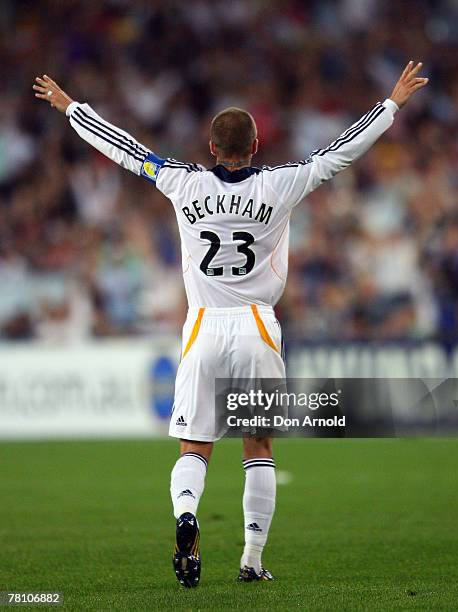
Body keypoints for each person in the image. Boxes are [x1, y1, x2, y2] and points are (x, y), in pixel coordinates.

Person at [33, 61, 428, 587]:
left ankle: (187, 518)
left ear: (212, 148)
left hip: (202, 327)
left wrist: (71, 106)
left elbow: (124, 149)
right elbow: (341, 152)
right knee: (258, 446)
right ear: (256, 144)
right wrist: (392, 103)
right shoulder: (279, 185)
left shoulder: (183, 183)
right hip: (258, 327)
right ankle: (251, 559)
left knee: (195, 447)